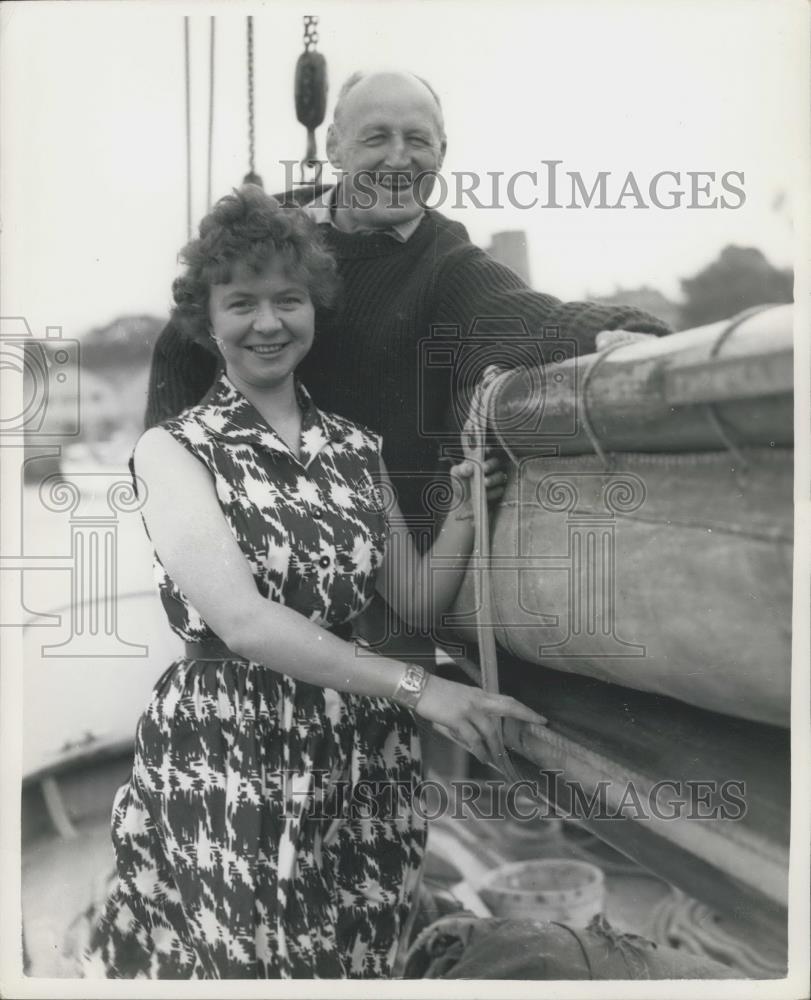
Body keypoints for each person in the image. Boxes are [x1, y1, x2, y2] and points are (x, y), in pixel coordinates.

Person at [82, 187, 544, 979]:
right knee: (245, 964)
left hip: (361, 757)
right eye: (242, 303)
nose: (268, 322)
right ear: (207, 319)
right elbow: (243, 623)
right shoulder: (173, 449)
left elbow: (414, 601)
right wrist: (427, 691)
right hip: (232, 749)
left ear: (315, 309)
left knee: (354, 960)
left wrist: (466, 508)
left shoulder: (353, 448)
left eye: (288, 299)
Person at [145, 70, 673, 541]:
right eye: (376, 137)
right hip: (251, 525)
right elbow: (179, 348)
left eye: (417, 140)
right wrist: (177, 490)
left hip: (374, 550)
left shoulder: (443, 259)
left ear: (441, 152)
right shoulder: (277, 227)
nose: (399, 158)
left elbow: (528, 314)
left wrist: (622, 329)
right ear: (334, 147)